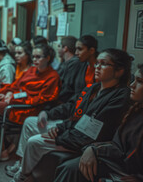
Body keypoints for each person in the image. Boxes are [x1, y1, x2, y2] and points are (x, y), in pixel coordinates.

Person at [7, 48, 131, 182]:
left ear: (119, 71)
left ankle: (22, 176)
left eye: (104, 64)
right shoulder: (92, 88)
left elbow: (92, 130)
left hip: (84, 141)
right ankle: (23, 167)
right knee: (31, 122)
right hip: (73, 131)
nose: (97, 67)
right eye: (97, 63)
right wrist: (58, 125)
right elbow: (74, 111)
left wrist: (61, 133)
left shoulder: (120, 96)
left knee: (34, 142)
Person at [54, 63, 143, 182]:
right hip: (117, 163)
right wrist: (93, 149)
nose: (132, 85)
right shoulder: (135, 110)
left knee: (72, 168)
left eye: (140, 81)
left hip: (128, 171)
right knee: (69, 167)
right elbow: (118, 145)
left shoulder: (119, 97)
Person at [0, 43, 60, 161]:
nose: (34, 60)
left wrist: (14, 96)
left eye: (38, 57)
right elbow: (17, 84)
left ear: (48, 58)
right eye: (34, 57)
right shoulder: (32, 69)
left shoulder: (52, 76)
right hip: (15, 99)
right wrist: (7, 92)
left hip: (25, 107)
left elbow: (40, 98)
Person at [59, 35, 98, 103]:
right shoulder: (82, 65)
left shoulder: (99, 69)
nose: (76, 53)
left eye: (80, 49)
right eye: (76, 49)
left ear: (91, 50)